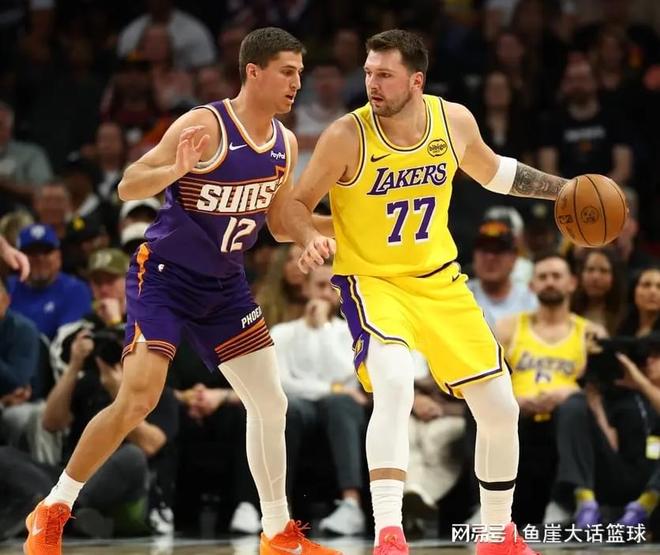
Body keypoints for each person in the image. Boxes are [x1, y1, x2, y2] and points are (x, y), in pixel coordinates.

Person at [23, 27, 337, 555]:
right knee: (138, 398)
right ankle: (52, 507)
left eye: (300, 73)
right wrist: (174, 169)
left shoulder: (284, 143)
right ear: (253, 71)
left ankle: (278, 531)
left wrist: (326, 230)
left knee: (270, 402)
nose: (297, 83)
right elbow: (128, 184)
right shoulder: (205, 125)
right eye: (288, 71)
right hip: (165, 278)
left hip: (226, 285)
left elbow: (281, 220)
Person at [284, 29, 578, 555]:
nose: (372, 83)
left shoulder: (453, 120)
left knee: (500, 407)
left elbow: (494, 172)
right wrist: (309, 237)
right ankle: (389, 533)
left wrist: (564, 190)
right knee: (395, 383)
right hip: (374, 282)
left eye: (385, 74)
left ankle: (497, 536)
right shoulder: (346, 135)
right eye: (368, 73)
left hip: (440, 281)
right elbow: (290, 209)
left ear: (416, 81)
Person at [495, 253, 607, 525]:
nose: (550, 282)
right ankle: (486, 505)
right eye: (543, 277)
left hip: (567, 423)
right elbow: (490, 379)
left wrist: (570, 393)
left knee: (575, 405)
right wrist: (514, 399)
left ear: (572, 283)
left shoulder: (591, 333)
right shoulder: (508, 327)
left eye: (557, 276)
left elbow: (599, 393)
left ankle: (567, 497)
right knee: (487, 408)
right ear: (531, 285)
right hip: (518, 417)